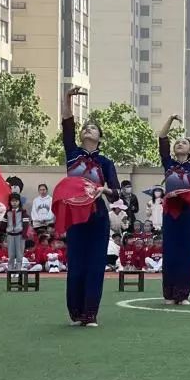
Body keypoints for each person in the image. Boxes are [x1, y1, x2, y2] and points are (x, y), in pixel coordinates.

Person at [53, 87, 119, 326]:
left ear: (100, 137)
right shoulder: (72, 154)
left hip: (97, 214)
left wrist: (104, 190)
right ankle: (75, 311)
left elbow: (116, 192)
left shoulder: (106, 162)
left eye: (92, 128)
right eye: (85, 128)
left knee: (95, 264)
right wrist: (67, 98)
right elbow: (67, 124)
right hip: (75, 214)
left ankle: (90, 312)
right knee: (76, 263)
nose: (87, 129)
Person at [155, 114, 190, 304]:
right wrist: (170, 120)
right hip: (170, 214)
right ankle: (169, 293)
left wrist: (179, 194)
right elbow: (162, 138)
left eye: (184, 143)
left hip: (188, 214)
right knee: (170, 252)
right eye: (177, 143)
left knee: (186, 253)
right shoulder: (169, 164)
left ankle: (182, 294)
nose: (180, 144)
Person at [1, 193, 29, 271]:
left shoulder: (23, 212)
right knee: (11, 254)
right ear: (10, 202)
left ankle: (18, 270)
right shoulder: (8, 212)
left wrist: (24, 234)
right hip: (10, 235)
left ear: (19, 202)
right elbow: (3, 224)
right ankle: (10, 271)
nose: (14, 203)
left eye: (16, 201)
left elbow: (25, 224)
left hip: (20, 235)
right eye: (12, 201)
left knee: (19, 254)